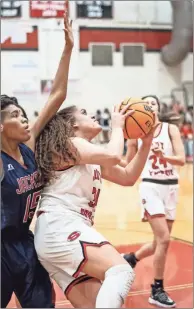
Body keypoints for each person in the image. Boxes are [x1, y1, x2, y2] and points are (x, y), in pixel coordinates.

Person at [34, 103, 159, 308]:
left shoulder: (89, 156)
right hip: (61, 226)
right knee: (121, 271)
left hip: (57, 236)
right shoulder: (69, 143)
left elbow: (128, 177)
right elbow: (114, 155)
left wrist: (145, 143)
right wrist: (117, 126)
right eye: (83, 112)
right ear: (72, 124)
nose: (90, 113)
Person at [1, 3, 74, 307]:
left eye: (23, 114)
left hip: (26, 243)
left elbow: (57, 95)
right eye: (16, 116)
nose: (25, 119)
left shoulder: (27, 149)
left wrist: (67, 49)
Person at [122, 95, 185, 308]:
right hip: (150, 186)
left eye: (153, 103)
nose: (150, 106)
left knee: (160, 242)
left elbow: (182, 160)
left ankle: (131, 259)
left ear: (158, 108)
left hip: (171, 187)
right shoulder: (135, 132)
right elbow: (127, 161)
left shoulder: (170, 129)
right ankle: (156, 290)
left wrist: (164, 156)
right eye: (146, 103)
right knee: (165, 239)